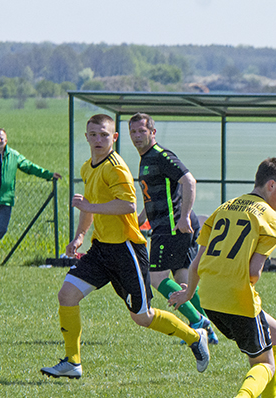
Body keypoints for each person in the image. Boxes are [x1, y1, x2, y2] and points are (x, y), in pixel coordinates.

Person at [40, 114, 209, 380]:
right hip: (101, 250)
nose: (98, 140)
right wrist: (80, 235)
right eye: (93, 135)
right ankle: (73, 362)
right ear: (86, 137)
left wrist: (89, 207)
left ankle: (194, 336)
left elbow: (128, 205)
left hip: (127, 250)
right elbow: (90, 204)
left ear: (114, 138)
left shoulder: (116, 167)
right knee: (67, 295)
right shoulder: (88, 167)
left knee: (142, 317)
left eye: (104, 135)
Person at [169, 158, 276, 398]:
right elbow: (254, 271)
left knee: (275, 332)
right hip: (237, 298)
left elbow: (197, 262)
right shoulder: (271, 218)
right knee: (264, 364)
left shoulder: (224, 208)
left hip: (209, 297)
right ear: (271, 184)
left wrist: (187, 294)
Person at [128, 113, 218, 344]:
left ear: (153, 133)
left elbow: (189, 181)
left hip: (172, 227)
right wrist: (138, 220)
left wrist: (184, 216)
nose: (137, 136)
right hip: (172, 225)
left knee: (156, 278)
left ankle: (198, 322)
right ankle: (207, 330)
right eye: (133, 132)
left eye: (142, 131)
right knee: (182, 280)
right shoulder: (146, 158)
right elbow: (154, 195)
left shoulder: (160, 156)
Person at [0, 128, 61, 267]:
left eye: (1, 138)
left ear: (6, 140)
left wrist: (48, 174)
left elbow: (29, 167)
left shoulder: (14, 156)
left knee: (1, 229)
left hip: (6, 200)